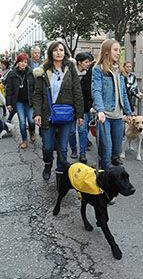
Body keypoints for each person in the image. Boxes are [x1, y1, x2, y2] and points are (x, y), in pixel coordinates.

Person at [33, 41, 84, 184]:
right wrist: (37, 113)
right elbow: (37, 94)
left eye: (61, 50)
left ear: (65, 52)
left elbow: (77, 92)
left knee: (62, 148)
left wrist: (79, 114)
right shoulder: (42, 71)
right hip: (47, 114)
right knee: (47, 147)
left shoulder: (70, 69)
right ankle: (48, 164)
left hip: (66, 114)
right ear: (51, 52)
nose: (58, 52)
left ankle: (60, 173)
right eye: (55, 50)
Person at [92, 39, 132, 171]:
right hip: (105, 115)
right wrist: (100, 110)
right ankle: (104, 181)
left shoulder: (119, 71)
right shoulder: (98, 70)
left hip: (118, 116)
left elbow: (124, 93)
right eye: (115, 50)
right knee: (107, 150)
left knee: (116, 152)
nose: (118, 53)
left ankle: (107, 170)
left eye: (119, 50)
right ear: (107, 52)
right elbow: (96, 90)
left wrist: (128, 112)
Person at [6, 53, 36, 149]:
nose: (23, 64)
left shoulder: (31, 73)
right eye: (21, 62)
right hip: (18, 101)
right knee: (22, 121)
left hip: (30, 101)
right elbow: (9, 89)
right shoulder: (12, 74)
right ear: (17, 63)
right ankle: (24, 139)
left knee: (31, 120)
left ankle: (32, 131)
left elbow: (35, 88)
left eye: (25, 62)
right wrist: (9, 103)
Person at [69, 52, 91, 163]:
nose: (88, 64)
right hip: (71, 107)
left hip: (84, 108)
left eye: (89, 62)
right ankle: (73, 149)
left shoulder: (89, 75)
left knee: (82, 131)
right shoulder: (70, 74)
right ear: (79, 62)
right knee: (72, 131)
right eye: (86, 62)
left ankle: (82, 153)